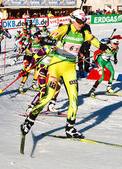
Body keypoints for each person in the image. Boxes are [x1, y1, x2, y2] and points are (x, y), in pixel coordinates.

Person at [21, 9, 106, 139]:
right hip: (56, 66)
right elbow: (46, 40)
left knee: (74, 99)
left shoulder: (84, 33)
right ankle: (29, 120)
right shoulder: (65, 29)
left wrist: (103, 46)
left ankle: (70, 128)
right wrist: (53, 42)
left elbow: (95, 41)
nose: (81, 23)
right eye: (79, 21)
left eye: (83, 21)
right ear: (73, 19)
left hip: (70, 69)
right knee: (48, 95)